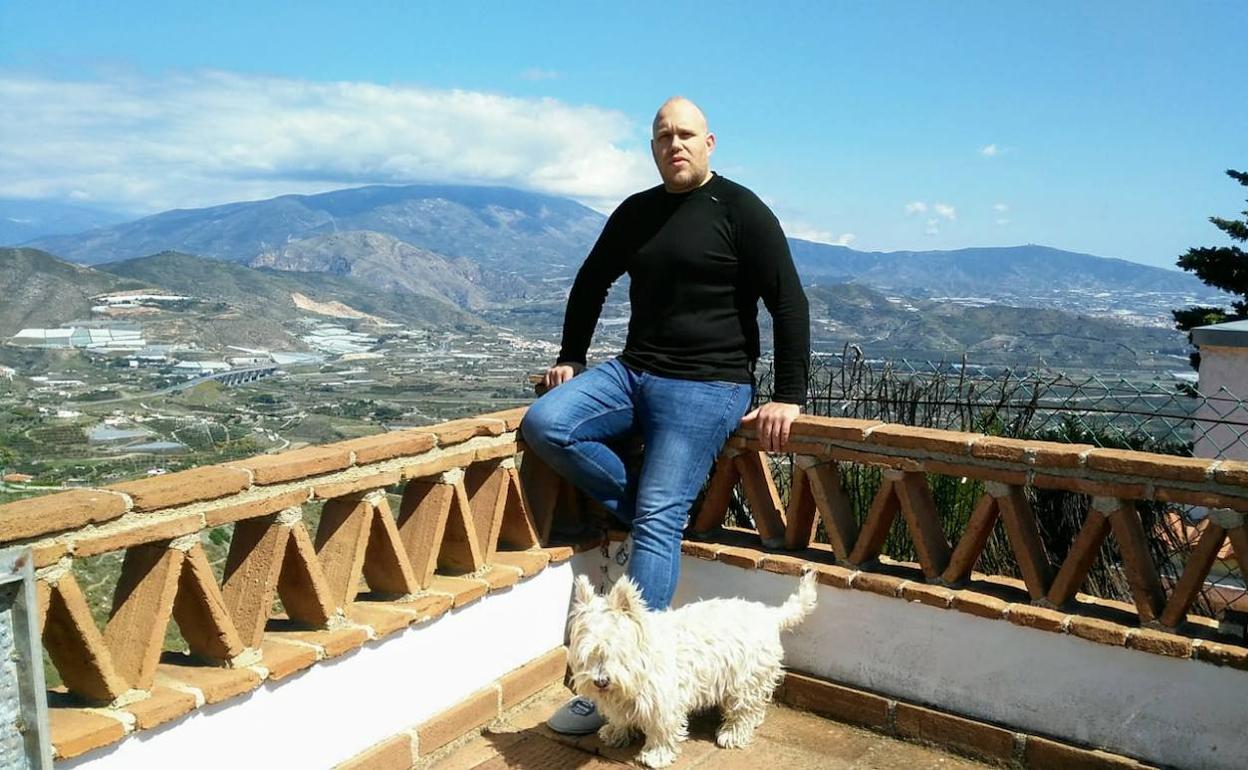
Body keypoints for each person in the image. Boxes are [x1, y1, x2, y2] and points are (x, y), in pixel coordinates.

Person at [520, 96, 810, 734]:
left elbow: (788, 302)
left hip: (708, 385)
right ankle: (644, 506)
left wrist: (789, 392)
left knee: (657, 519)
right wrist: (572, 356)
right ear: (652, 147)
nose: (673, 144)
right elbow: (591, 279)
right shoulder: (638, 211)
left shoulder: (742, 211)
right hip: (633, 371)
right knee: (546, 425)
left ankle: (627, 685)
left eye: (684, 135)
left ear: (710, 142)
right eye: (661, 137)